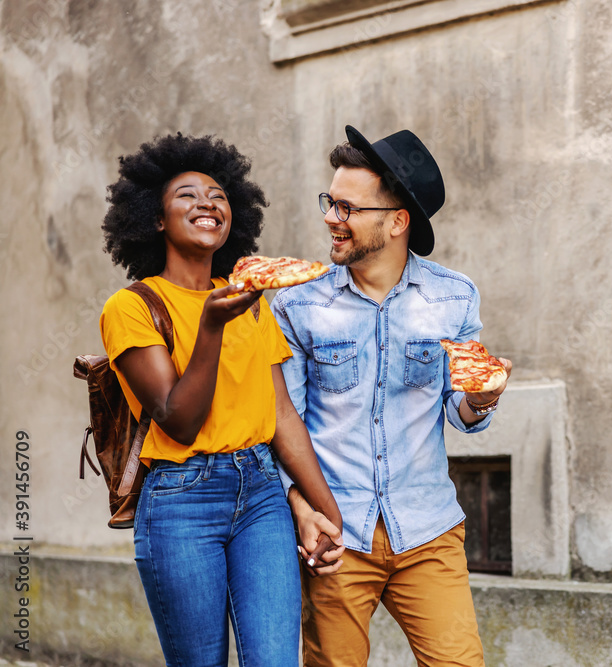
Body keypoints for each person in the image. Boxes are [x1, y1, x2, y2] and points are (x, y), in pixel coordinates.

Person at [99, 132, 345, 667]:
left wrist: (330, 514)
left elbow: (282, 415)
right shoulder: (132, 306)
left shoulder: (251, 301)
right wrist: (211, 325)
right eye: (187, 194)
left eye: (218, 194)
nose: (208, 202)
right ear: (155, 219)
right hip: (180, 501)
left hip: (260, 496)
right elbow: (178, 419)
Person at [272, 125, 512, 666]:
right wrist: (301, 509)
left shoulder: (454, 296)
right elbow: (283, 420)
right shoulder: (297, 304)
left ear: (397, 221)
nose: (332, 217)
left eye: (348, 208)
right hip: (336, 534)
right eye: (330, 203)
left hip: (428, 529)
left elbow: (461, 407)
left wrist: (485, 397)